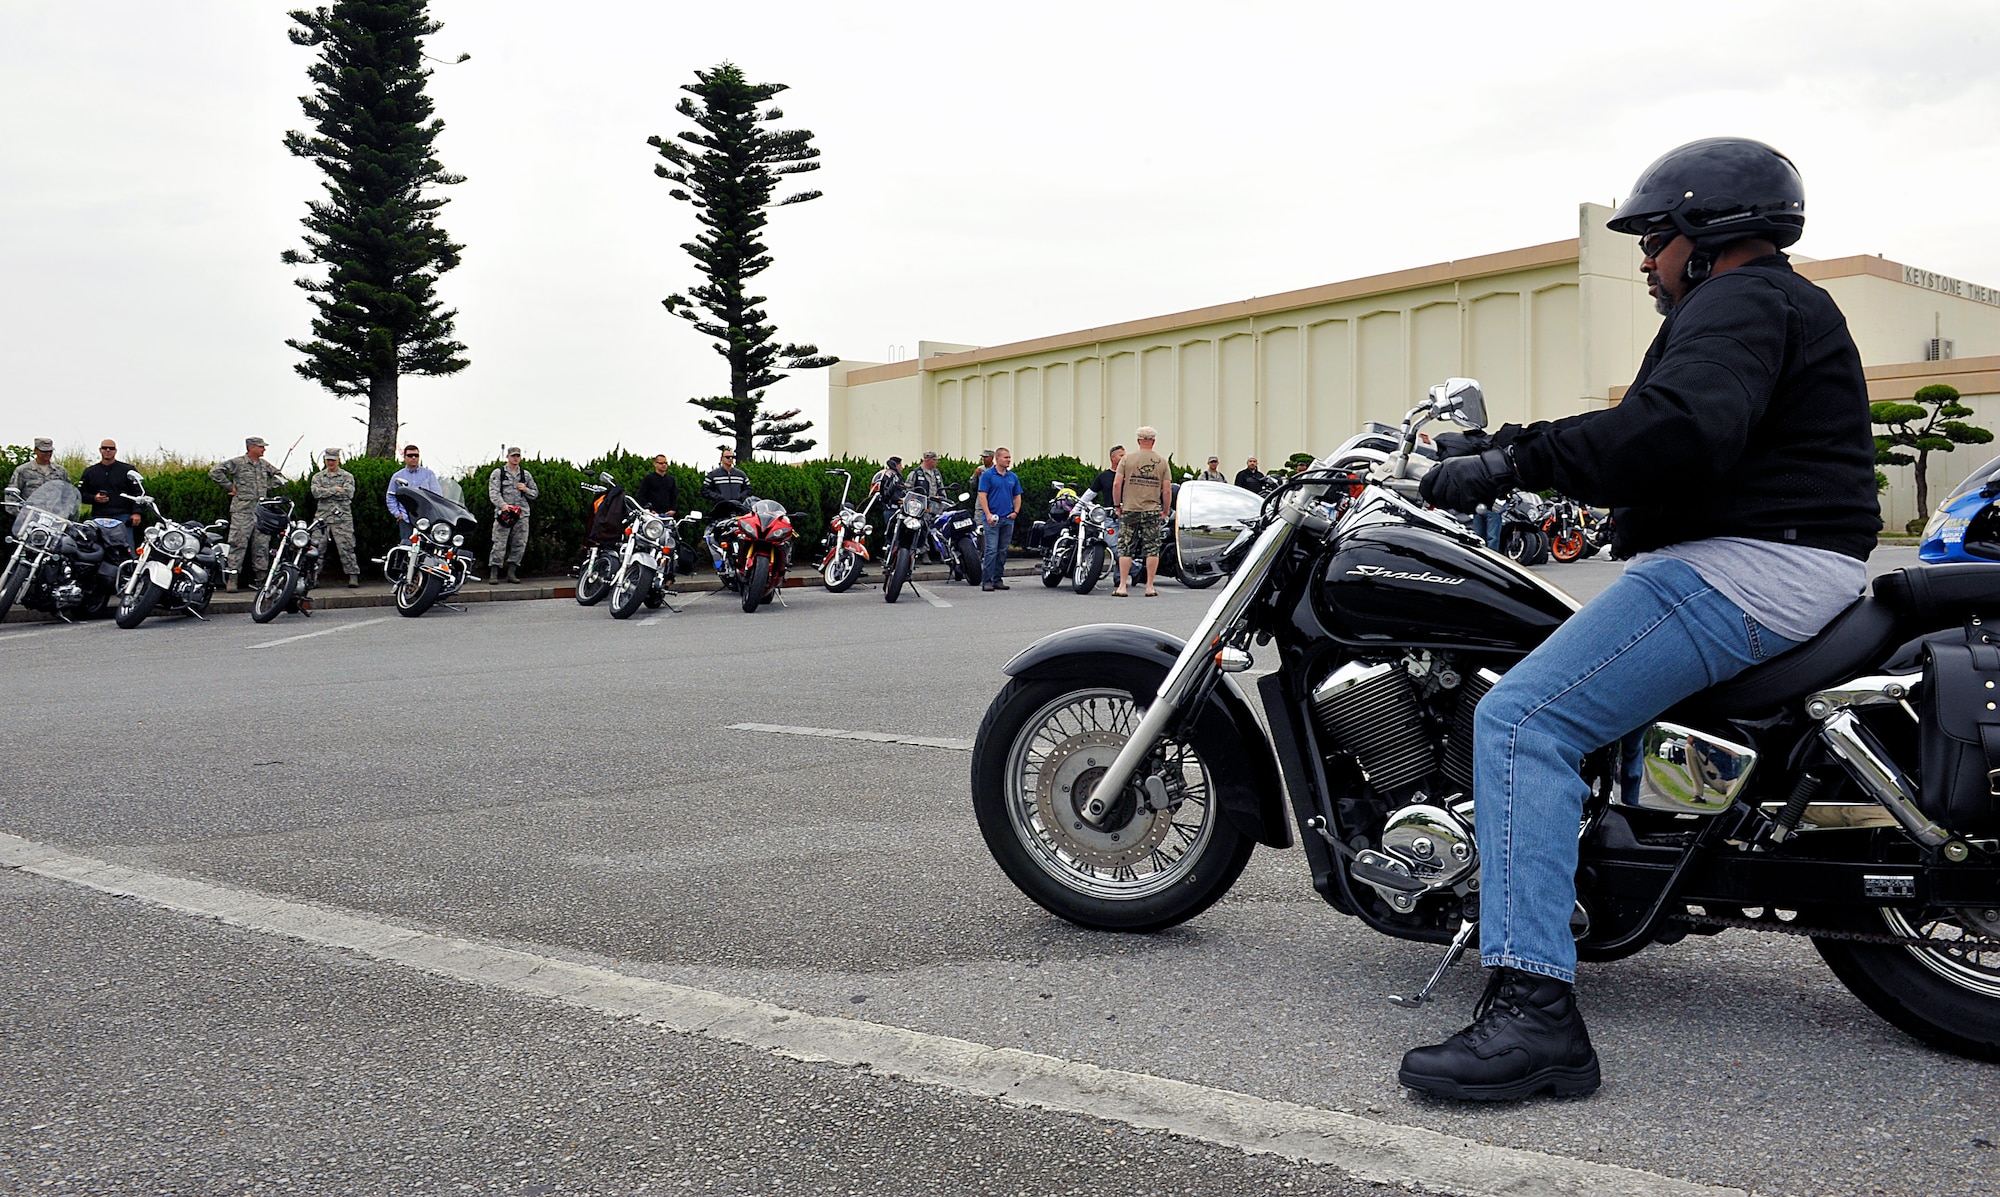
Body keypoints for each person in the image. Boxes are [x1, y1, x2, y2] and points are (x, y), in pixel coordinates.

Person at [1402, 137, 1879, 1102]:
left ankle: (1534, 1012)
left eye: (1657, 239)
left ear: (1710, 232)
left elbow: (1677, 428)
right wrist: (1509, 455)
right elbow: (1669, 431)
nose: (1648, 260)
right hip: (1773, 559)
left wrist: (1508, 460)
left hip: (1749, 565)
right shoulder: (1773, 304)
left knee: (1522, 721)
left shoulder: (1743, 301)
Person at [209, 436, 284, 591]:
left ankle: (261, 580)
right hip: (242, 511)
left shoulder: (264, 465)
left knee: (261, 546)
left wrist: (267, 487)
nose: (264, 449)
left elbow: (280, 477)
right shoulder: (238, 463)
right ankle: (232, 579)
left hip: (261, 512)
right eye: (261, 446)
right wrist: (230, 487)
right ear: (251, 447)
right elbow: (215, 472)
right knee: (237, 544)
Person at [1112, 426, 1172, 597]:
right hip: (1151, 510)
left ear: (1138, 440)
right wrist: (1165, 510)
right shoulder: (1162, 462)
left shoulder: (1127, 459)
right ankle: (1149, 586)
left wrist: (1117, 505)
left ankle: (1122, 585)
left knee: (1125, 547)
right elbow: (1167, 490)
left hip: (1130, 508)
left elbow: (1117, 484)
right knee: (1152, 548)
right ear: (1153, 441)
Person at [309, 448, 362, 587]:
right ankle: (312, 577)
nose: (330, 463)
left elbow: (348, 493)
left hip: (342, 518)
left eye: (333, 460)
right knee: (316, 547)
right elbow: (316, 493)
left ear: (338, 460)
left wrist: (326, 491)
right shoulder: (318, 477)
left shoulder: (347, 476)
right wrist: (335, 489)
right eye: (328, 460)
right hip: (322, 518)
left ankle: (353, 576)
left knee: (346, 547)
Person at [486, 448, 540, 584]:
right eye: (513, 456)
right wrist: (503, 505)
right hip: (504, 514)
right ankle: (494, 572)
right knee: (499, 543)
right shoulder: (499, 473)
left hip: (521, 514)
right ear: (507, 456)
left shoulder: (525, 475)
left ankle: (511, 572)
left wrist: (525, 489)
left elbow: (535, 493)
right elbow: (493, 492)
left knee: (520, 543)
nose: (515, 458)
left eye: (518, 456)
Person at [976, 446, 1022, 591]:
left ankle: (998, 579)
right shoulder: (987, 476)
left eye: (1009, 457)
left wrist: (1015, 512)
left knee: (1002, 551)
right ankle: (987, 581)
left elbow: (1017, 495)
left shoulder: (1012, 477)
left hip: (1008, 519)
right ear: (997, 459)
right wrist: (988, 514)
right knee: (991, 550)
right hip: (992, 519)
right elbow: (982, 495)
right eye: (1005, 457)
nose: (1008, 460)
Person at [79, 439, 142, 544]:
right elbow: (81, 494)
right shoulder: (90, 472)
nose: (108, 450)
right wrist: (94, 498)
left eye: (111, 448)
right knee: (99, 548)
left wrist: (136, 513)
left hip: (123, 516)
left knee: (127, 548)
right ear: (100, 450)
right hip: (99, 517)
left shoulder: (128, 470)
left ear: (115, 451)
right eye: (105, 448)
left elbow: (138, 493)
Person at [386, 444, 441, 545]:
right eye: (410, 455)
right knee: (406, 546)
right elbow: (391, 496)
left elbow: (437, 495)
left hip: (426, 520)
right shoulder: (397, 476)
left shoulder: (429, 474)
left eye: (416, 455)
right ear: (404, 457)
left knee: (426, 547)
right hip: (406, 519)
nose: (414, 458)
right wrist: (398, 514)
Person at [701, 448, 751, 515]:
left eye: (732, 457)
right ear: (722, 458)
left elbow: (748, 489)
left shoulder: (741, 474)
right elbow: (705, 490)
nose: (730, 459)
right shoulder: (713, 475)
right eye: (727, 457)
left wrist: (740, 496)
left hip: (738, 509)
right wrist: (719, 497)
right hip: (720, 509)